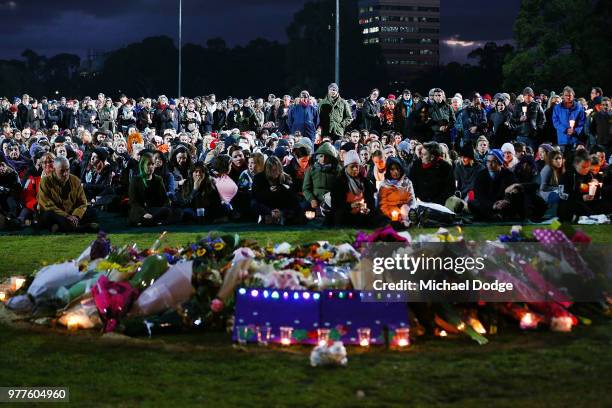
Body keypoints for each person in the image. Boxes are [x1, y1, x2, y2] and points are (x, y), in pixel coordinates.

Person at [37, 156, 97, 232]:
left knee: (91, 212)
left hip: (72, 213)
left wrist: (76, 215)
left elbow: (82, 203)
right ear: (54, 170)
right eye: (62, 171)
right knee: (47, 215)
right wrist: (66, 216)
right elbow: (47, 205)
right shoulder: (45, 181)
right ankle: (81, 228)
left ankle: (62, 227)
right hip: (57, 214)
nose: (65, 174)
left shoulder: (75, 180)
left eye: (67, 170)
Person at [558, 150, 610, 221]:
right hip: (571, 203)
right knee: (570, 206)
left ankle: (586, 216)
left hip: (586, 203)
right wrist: (581, 197)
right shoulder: (567, 176)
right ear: (576, 164)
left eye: (588, 167)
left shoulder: (589, 175)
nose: (586, 169)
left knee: (604, 203)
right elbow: (562, 194)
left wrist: (596, 186)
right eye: (583, 167)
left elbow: (594, 195)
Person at [468, 149, 520, 221]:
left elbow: (514, 190)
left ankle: (490, 216)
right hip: (488, 205)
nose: (490, 164)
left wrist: (505, 201)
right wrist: (492, 205)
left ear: (500, 162)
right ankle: (494, 216)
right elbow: (479, 194)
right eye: (488, 161)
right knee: (472, 203)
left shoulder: (509, 174)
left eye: (493, 161)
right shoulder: (481, 175)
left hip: (502, 204)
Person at [330, 150, 377, 227]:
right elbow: (336, 205)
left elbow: (370, 199)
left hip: (362, 214)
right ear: (346, 167)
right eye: (352, 167)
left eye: (357, 166)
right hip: (346, 216)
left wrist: (367, 208)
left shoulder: (364, 181)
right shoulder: (339, 183)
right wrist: (350, 206)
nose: (355, 169)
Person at [251, 156, 302, 224]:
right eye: (273, 171)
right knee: (254, 203)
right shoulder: (259, 177)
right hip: (267, 205)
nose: (276, 173)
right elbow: (256, 195)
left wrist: (283, 188)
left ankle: (279, 216)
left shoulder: (285, 177)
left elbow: (291, 197)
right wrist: (268, 191)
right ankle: (271, 215)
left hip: (281, 205)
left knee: (297, 204)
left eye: (278, 170)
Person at [128, 153, 174, 226]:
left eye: (153, 164)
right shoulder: (135, 180)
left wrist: (165, 207)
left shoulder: (158, 179)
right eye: (148, 164)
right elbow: (133, 202)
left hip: (155, 209)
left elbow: (165, 199)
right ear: (143, 165)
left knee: (168, 211)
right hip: (140, 210)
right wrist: (144, 213)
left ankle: (149, 221)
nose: (151, 167)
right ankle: (154, 221)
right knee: (134, 213)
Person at [302, 142, 340, 215]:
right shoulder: (311, 169)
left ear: (331, 157)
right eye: (321, 156)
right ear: (318, 156)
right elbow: (306, 188)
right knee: (304, 208)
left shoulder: (337, 170)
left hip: (331, 199)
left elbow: (340, 188)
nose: (324, 158)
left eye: (327, 156)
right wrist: (311, 199)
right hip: (315, 199)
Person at [378, 156, 416, 225]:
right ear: (388, 171)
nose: (395, 172)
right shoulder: (384, 185)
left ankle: (407, 221)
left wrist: (411, 210)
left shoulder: (407, 182)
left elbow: (412, 200)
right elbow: (383, 205)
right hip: (391, 212)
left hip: (405, 210)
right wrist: (393, 215)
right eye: (392, 169)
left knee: (405, 209)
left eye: (397, 169)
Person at [552, 86, 585, 150]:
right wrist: (565, 129)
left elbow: (582, 121)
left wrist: (575, 131)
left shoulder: (579, 107)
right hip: (562, 139)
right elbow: (555, 122)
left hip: (575, 139)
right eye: (566, 95)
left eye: (570, 95)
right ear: (563, 96)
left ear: (573, 95)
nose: (568, 97)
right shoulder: (557, 108)